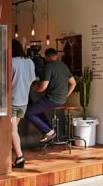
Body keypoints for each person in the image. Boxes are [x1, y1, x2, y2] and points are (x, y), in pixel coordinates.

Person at [25, 48, 76, 143]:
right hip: (61, 100)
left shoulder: (48, 66)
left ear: (46, 57)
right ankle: (49, 130)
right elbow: (73, 83)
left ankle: (48, 131)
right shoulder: (63, 65)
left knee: (29, 112)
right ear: (56, 55)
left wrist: (35, 88)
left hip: (51, 99)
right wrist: (65, 95)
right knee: (36, 109)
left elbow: (43, 86)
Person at [11, 39, 36, 168]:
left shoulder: (11, 62)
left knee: (12, 130)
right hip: (23, 102)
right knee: (12, 130)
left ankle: (20, 158)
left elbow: (5, 82)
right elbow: (32, 80)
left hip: (12, 101)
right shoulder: (30, 62)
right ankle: (9, 154)